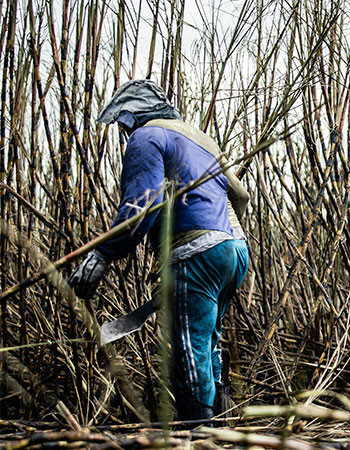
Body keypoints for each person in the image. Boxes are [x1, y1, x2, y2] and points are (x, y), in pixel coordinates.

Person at [68, 80, 250, 421]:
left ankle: (199, 431)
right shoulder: (202, 139)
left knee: (187, 347)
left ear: (129, 118)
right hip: (236, 250)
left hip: (195, 253)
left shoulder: (146, 136)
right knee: (208, 338)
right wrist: (224, 236)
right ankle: (222, 428)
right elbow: (240, 196)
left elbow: (142, 204)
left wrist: (104, 253)